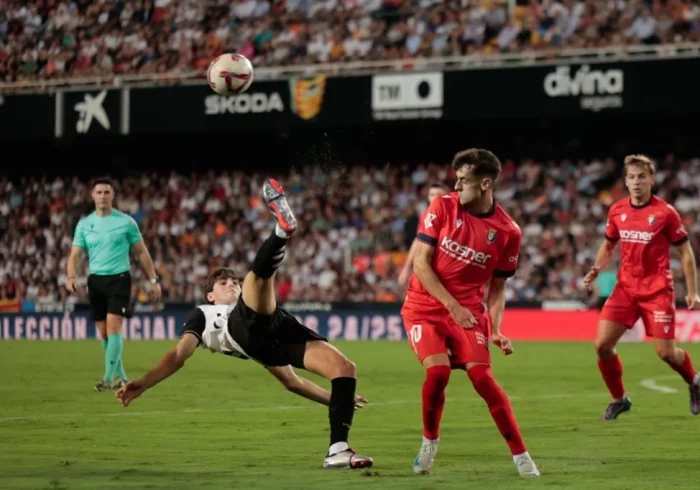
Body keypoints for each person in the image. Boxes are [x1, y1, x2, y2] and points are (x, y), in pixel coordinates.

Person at [115, 178, 373, 470]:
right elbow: (177, 356)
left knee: (344, 369)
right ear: (210, 296)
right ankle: (281, 231)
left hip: (272, 335)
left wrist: (338, 400)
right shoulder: (203, 315)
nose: (231, 286)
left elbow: (292, 382)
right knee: (259, 280)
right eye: (223, 284)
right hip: (242, 330)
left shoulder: (251, 310)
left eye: (233, 282)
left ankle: (337, 450)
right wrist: (144, 384)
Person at [400, 149, 539, 477]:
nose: (456, 186)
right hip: (425, 307)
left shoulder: (508, 232)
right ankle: (429, 441)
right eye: (457, 179)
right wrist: (452, 306)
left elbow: (499, 287)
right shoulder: (443, 206)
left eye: (464, 181)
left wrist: (495, 329)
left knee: (483, 379)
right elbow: (420, 263)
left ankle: (522, 457)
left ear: (486, 184)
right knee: (438, 374)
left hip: (468, 312)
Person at [583, 154, 700, 420]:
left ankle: (694, 381)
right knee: (602, 345)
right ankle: (619, 399)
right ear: (626, 181)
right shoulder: (617, 210)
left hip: (657, 291)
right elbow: (609, 243)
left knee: (666, 354)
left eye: (642, 177)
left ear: (651, 180)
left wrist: (692, 290)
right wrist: (597, 268)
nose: (636, 182)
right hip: (625, 289)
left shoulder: (665, 213)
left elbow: (686, 253)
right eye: (632, 177)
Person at [66, 177, 161, 391]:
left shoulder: (126, 222)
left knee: (114, 327)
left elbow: (141, 252)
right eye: (98, 192)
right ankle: (122, 377)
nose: (102, 196)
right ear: (92, 196)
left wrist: (153, 280)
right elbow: (75, 255)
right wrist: (71, 277)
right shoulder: (84, 224)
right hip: (95, 281)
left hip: (119, 279)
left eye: (106, 192)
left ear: (113, 195)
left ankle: (107, 379)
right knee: (103, 332)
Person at [398, 183, 448, 286]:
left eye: (438, 194)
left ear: (445, 196)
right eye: (432, 195)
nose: (435, 198)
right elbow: (418, 241)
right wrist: (406, 267)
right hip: (429, 265)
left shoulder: (454, 215)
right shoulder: (425, 215)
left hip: (447, 265)